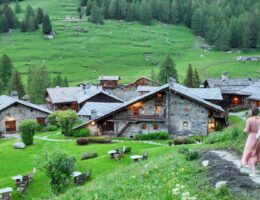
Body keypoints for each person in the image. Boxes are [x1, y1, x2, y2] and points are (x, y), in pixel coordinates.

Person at [241, 107, 260, 177]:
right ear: (258, 112)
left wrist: (243, 131)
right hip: (259, 138)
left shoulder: (249, 120)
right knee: (257, 153)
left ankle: (253, 172)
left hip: (252, 138)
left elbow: (247, 130)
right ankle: (255, 169)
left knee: (251, 154)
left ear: (252, 112)